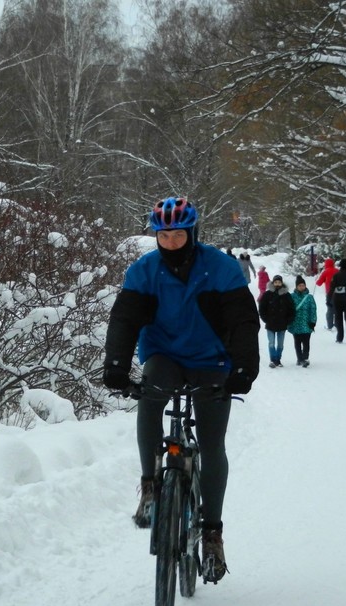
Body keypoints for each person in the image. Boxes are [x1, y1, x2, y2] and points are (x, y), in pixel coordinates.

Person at [102, 196, 260, 583]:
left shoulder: (220, 268)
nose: (170, 241)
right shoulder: (144, 271)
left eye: (178, 234)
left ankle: (211, 534)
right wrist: (118, 367)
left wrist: (243, 369)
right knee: (151, 395)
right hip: (165, 356)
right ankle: (151, 486)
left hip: (212, 360)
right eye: (163, 235)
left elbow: (242, 322)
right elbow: (124, 319)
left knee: (211, 443)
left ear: (192, 233)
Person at [258, 275, 295, 367]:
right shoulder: (267, 294)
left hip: (282, 323)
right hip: (270, 323)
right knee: (271, 343)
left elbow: (292, 309)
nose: (277, 284)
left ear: (282, 283)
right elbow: (262, 308)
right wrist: (265, 318)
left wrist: (289, 320)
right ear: (273, 283)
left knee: (280, 344)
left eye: (279, 282)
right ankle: (272, 359)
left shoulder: (286, 295)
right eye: (276, 282)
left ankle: (278, 359)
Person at [287, 275, 317, 367]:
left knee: (306, 341)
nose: (301, 287)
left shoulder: (309, 297)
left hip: (306, 323)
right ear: (296, 286)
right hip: (295, 323)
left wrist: (313, 321)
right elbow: (288, 309)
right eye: (299, 285)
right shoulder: (291, 297)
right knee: (297, 342)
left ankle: (305, 358)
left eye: (303, 285)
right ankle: (299, 358)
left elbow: (313, 309)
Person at [329, 258, 346, 344]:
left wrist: (328, 299)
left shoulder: (336, 276)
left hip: (337, 299)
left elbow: (332, 287)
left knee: (338, 318)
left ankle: (340, 337)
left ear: (340, 266)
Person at [315, 258, 339, 330]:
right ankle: (337, 325)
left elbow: (319, 283)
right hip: (339, 293)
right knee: (337, 309)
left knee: (330, 309)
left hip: (330, 294)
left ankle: (330, 326)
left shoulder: (325, 272)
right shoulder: (337, 271)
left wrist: (317, 280)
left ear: (326, 264)